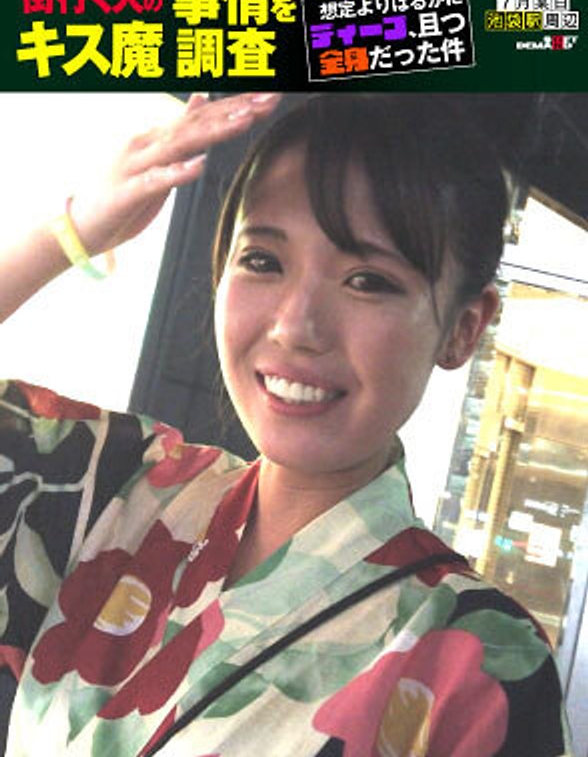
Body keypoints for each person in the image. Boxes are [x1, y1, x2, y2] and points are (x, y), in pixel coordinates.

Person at [0, 93, 574, 756]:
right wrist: (70, 235)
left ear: (464, 328)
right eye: (263, 261)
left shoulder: (480, 661)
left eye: (367, 280)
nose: (295, 326)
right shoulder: (109, 488)